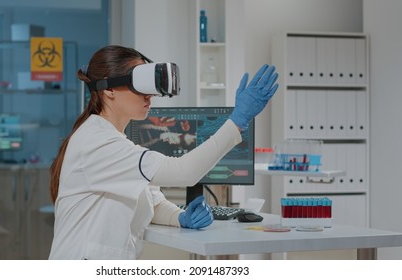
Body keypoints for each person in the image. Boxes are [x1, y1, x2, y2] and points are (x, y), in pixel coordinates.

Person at [48, 45, 278, 260]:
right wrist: (237, 121)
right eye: (138, 84)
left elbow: (150, 200)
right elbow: (184, 172)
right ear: (108, 89)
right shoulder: (97, 142)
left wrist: (179, 217)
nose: (149, 95)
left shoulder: (113, 140)